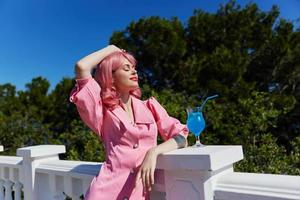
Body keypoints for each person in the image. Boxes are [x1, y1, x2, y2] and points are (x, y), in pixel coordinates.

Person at [69, 45, 189, 200]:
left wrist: (153, 152)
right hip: (104, 192)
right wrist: (112, 48)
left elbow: (181, 138)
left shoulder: (150, 107)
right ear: (111, 77)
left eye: (134, 68)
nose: (134, 71)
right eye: (126, 68)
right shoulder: (102, 111)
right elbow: (82, 67)